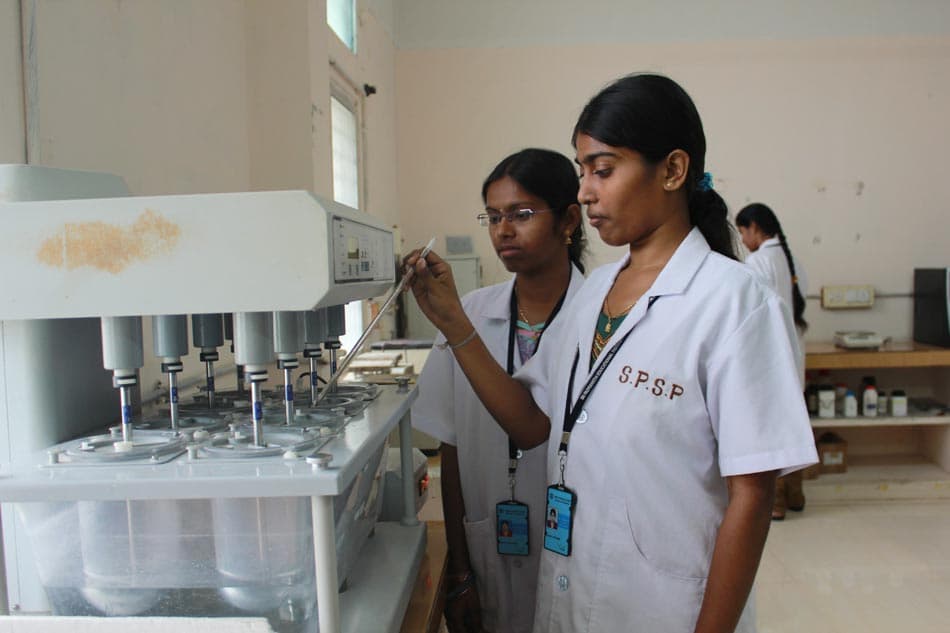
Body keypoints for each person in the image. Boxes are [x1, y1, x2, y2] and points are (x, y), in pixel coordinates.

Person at [406, 74, 817, 633]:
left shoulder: (732, 301)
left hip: (668, 611)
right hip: (572, 597)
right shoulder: (596, 292)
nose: (584, 192)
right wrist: (454, 323)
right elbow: (533, 425)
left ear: (673, 170)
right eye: (582, 172)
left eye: (603, 170)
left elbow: (752, 493)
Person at [411, 148, 586, 633]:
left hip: (575, 548)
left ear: (569, 220)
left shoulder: (597, 318)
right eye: (493, 217)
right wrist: (458, 570)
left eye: (521, 214)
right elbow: (451, 447)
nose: (503, 230)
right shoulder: (468, 312)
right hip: (489, 538)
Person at [736, 203, 811, 521]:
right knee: (793, 424)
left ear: (754, 227)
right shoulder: (793, 262)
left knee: (772, 430)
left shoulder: (757, 262)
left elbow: (748, 312)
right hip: (794, 353)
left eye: (743, 232)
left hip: (770, 355)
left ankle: (776, 501)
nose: (743, 240)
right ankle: (795, 494)